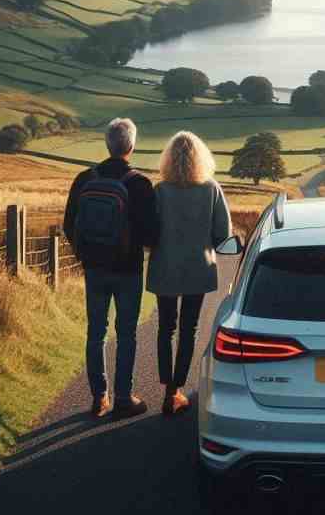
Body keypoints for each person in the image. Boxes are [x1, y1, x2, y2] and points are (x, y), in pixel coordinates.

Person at [64, 117, 159, 419]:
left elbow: (69, 224)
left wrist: (86, 254)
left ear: (107, 144)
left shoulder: (84, 179)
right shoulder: (140, 184)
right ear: (131, 146)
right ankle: (123, 397)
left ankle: (98, 398)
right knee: (127, 333)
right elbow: (151, 235)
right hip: (128, 269)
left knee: (96, 332)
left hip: (94, 267)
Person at [148, 131, 231, 415]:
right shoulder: (211, 188)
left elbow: (150, 234)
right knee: (189, 329)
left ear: (168, 159)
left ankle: (166, 388)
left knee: (165, 327)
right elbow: (223, 235)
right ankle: (176, 390)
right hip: (199, 267)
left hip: (165, 267)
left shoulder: (160, 191)